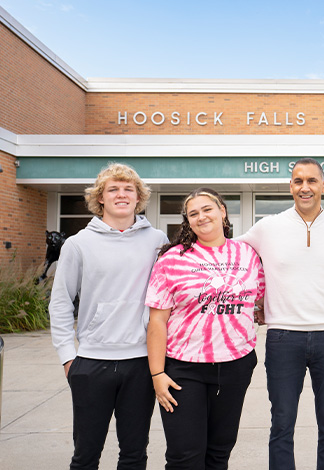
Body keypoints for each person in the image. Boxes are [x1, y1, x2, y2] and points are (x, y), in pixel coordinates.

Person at [49, 162, 168, 470]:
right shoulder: (78, 244)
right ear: (100, 197)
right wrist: (67, 357)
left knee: (134, 453)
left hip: (142, 363)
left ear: (138, 197)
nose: (121, 195)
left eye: (129, 189)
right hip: (91, 364)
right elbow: (61, 302)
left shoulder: (156, 241)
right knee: (86, 455)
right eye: (113, 189)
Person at [237, 157, 324, 470]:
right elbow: (226, 252)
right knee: (282, 424)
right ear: (290, 186)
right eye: (298, 181)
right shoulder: (268, 228)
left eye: (312, 181)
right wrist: (179, 251)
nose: (305, 187)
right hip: (283, 338)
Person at [145, 187, 265, 469]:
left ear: (222, 211)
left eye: (207, 209)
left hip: (235, 366)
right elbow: (157, 321)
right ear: (188, 221)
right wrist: (157, 373)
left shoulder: (247, 254)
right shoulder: (173, 259)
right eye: (193, 214)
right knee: (185, 457)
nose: (201, 217)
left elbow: (257, 302)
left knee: (219, 453)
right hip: (183, 369)